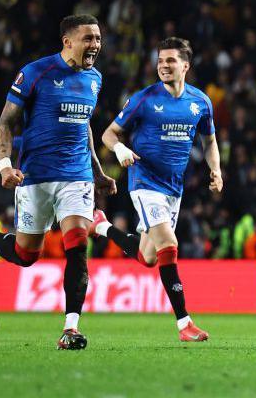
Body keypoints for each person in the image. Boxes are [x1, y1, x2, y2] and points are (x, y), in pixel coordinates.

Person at [0, 13, 116, 350]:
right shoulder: (36, 72)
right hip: (36, 175)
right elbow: (6, 123)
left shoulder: (95, 78)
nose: (95, 44)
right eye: (88, 38)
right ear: (67, 41)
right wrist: (6, 166)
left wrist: (96, 172)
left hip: (76, 177)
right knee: (25, 255)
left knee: (78, 244)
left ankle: (71, 328)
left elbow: (85, 127)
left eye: (97, 38)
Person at [92, 36, 222, 342]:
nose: (163, 65)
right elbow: (108, 134)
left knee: (149, 257)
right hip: (144, 183)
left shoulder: (200, 102)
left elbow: (210, 141)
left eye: (170, 61)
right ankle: (184, 324)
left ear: (185, 66)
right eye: (160, 60)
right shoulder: (144, 99)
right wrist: (121, 150)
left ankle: (103, 227)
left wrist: (216, 169)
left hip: (173, 189)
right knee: (169, 244)